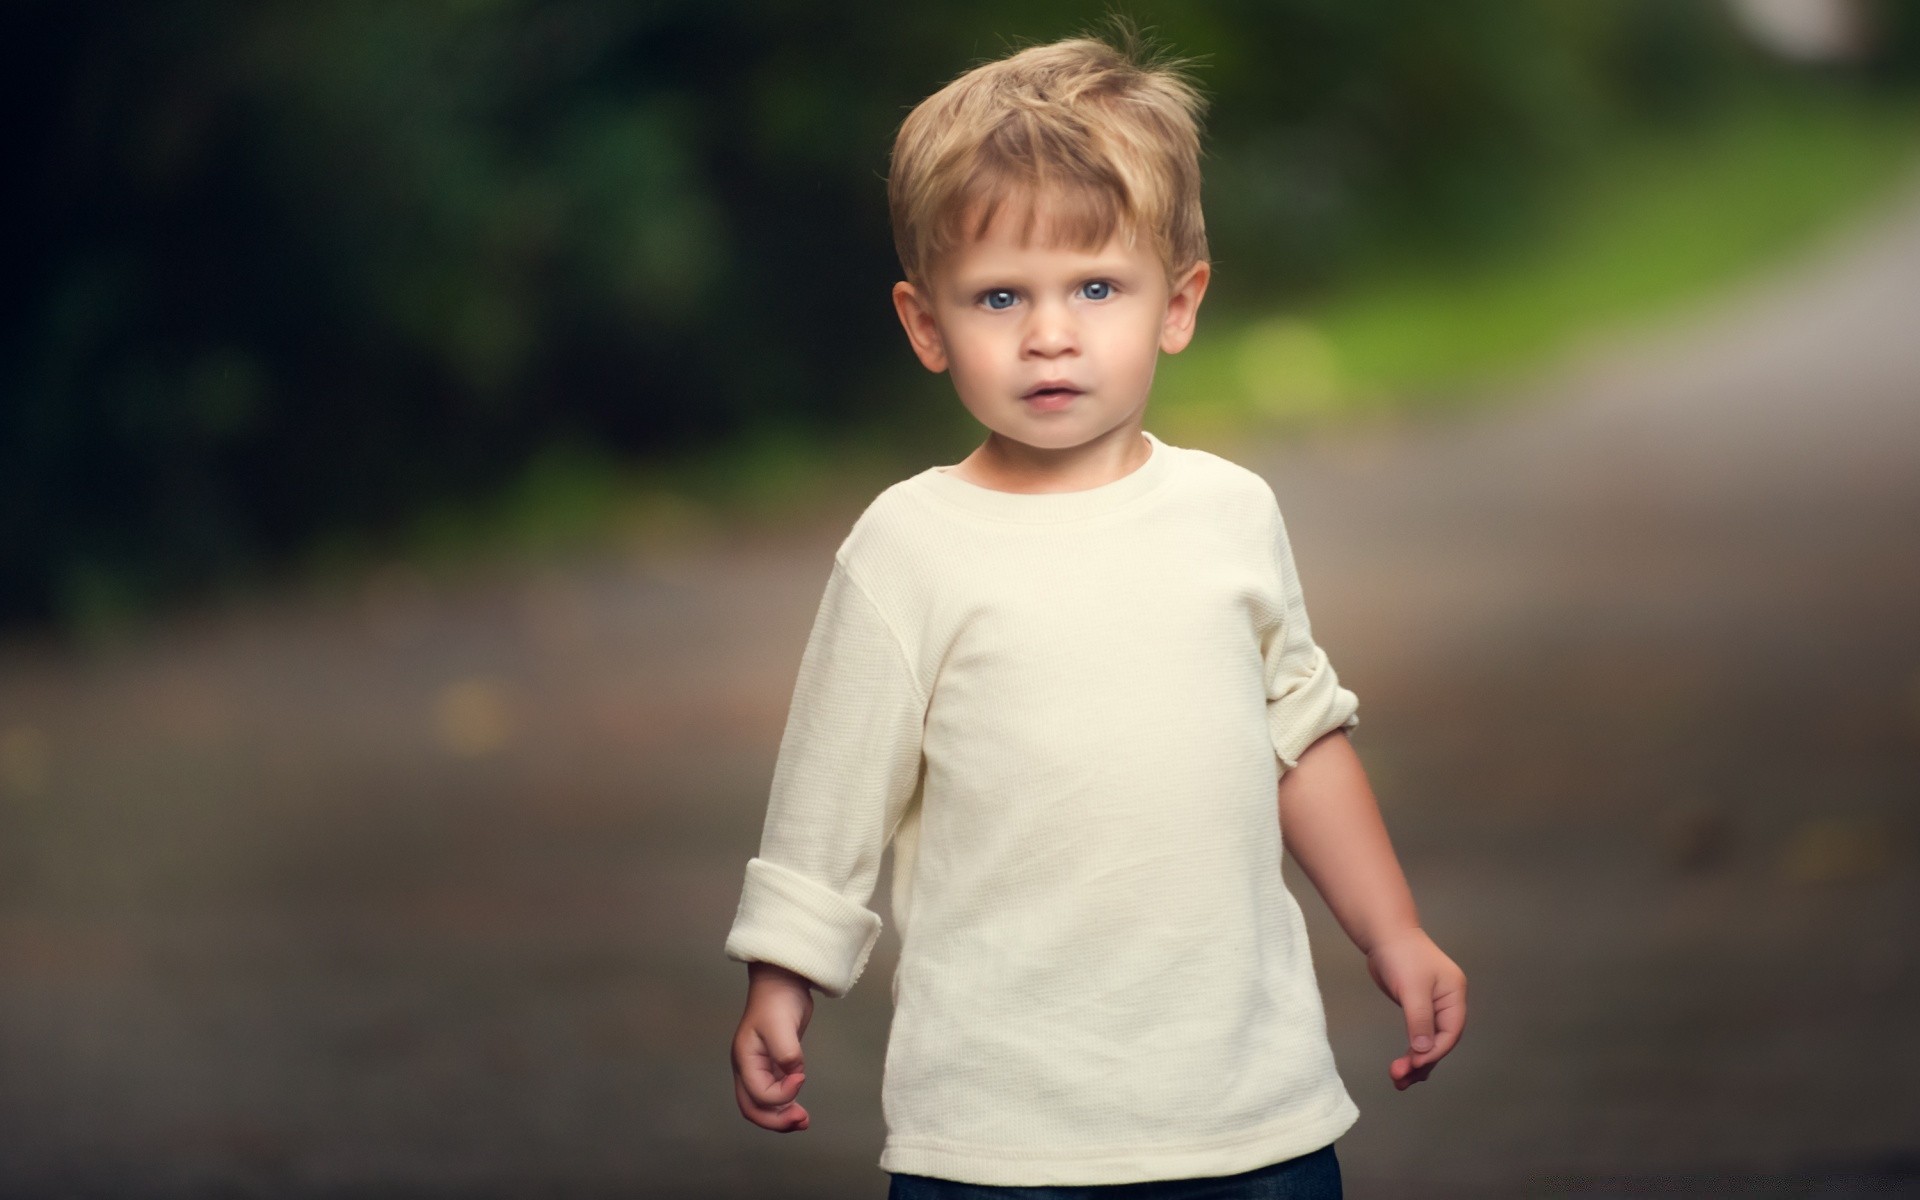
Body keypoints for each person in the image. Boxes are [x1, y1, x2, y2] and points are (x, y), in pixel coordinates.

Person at [724, 22, 1466, 1199]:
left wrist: (1394, 933)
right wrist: (784, 976)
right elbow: (832, 783)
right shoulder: (910, 549)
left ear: (1179, 303)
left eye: (1097, 287)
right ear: (928, 326)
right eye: (1002, 294)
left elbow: (1300, 737)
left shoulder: (1229, 515)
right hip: (999, 1133)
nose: (1051, 333)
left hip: (1248, 1116)